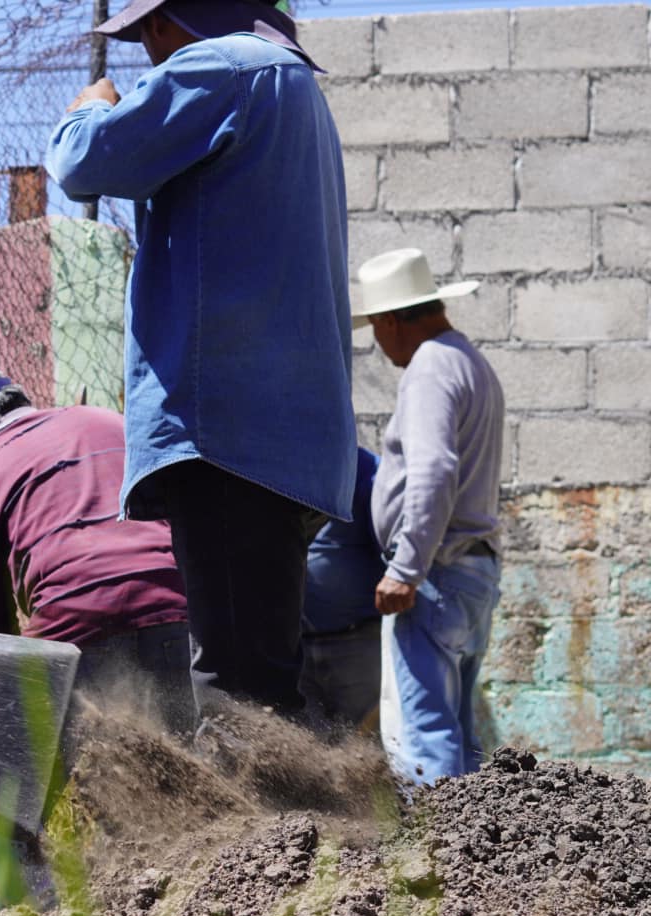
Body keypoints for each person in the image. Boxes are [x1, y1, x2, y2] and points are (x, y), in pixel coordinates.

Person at [44, 0, 356, 731]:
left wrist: (90, 108)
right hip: (286, 435)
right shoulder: (293, 87)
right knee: (261, 674)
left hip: (223, 430)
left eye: (146, 34)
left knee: (237, 693)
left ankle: (266, 837)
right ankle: (302, 832)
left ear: (165, 21)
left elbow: (86, 162)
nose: (149, 54)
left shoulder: (219, 68)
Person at [0, 365, 193, 737]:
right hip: (176, 602)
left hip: (77, 630)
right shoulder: (109, 421)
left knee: (107, 774)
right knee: (195, 750)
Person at [353, 248, 504, 785]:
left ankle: (441, 864)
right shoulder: (469, 362)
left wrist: (405, 569)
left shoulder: (429, 367)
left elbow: (434, 470)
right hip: (472, 571)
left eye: (374, 327)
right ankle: (485, 856)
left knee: (423, 737)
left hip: (435, 574)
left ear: (391, 321)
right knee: (460, 735)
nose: (378, 342)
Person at [300, 449, 387, 734]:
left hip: (356, 640)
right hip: (294, 645)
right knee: (304, 744)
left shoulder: (363, 469)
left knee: (363, 746)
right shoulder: (279, 469)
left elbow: (390, 549)